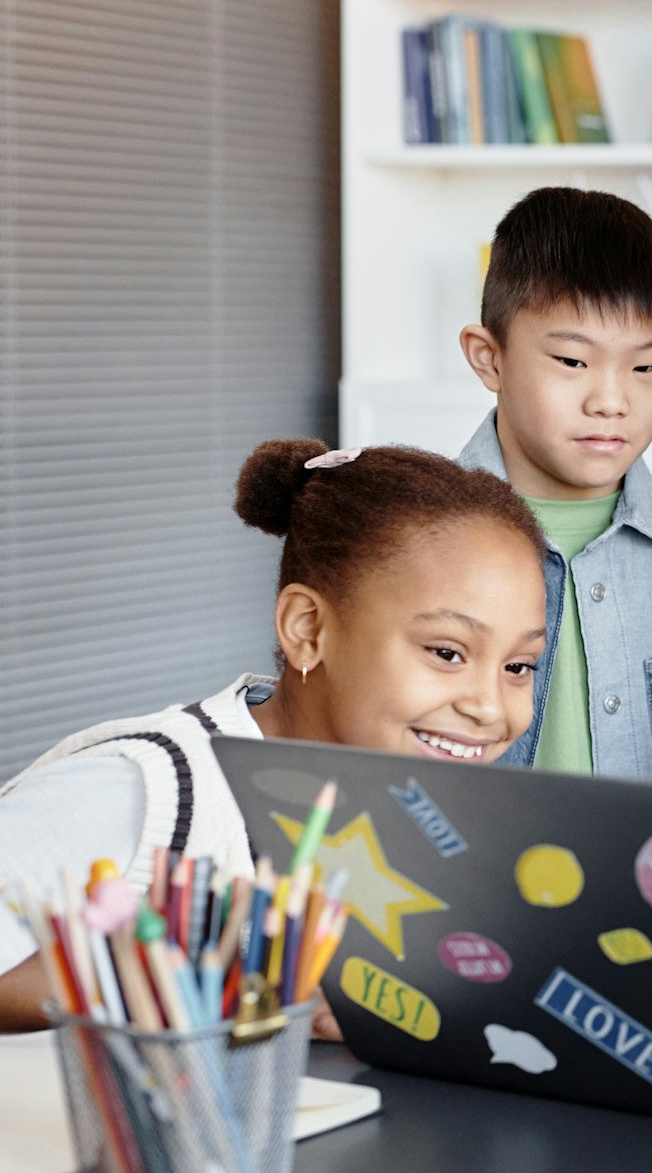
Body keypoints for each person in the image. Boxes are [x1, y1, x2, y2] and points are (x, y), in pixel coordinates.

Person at [0, 438, 549, 1030]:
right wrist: (244, 991)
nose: (490, 707)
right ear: (307, 629)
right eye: (446, 652)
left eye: (518, 666)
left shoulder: (431, 814)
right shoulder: (146, 784)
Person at [458, 186, 652, 780]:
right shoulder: (405, 546)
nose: (611, 401)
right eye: (573, 362)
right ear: (489, 358)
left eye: (646, 367)